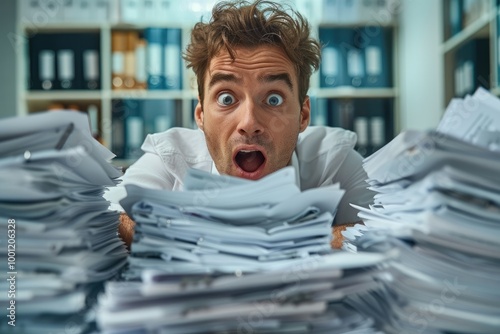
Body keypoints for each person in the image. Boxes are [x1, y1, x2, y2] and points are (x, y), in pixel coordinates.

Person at [111, 0, 374, 249]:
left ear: (303, 115)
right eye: (227, 98)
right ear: (201, 115)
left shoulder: (335, 161)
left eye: (273, 98)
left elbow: (383, 233)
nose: (249, 123)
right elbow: (110, 221)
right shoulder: (170, 157)